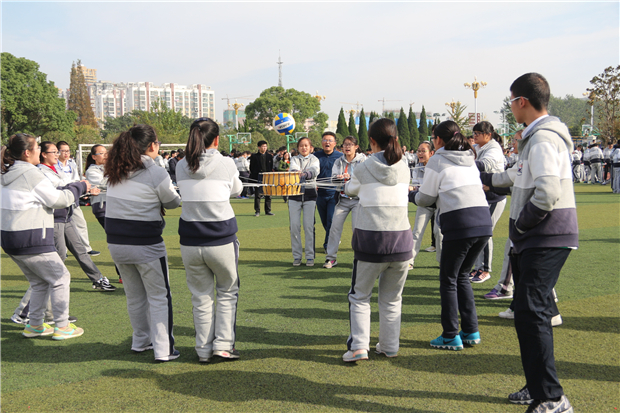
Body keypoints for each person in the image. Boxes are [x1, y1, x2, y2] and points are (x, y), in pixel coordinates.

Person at [481, 73, 577, 413]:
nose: (510, 107)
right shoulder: (534, 138)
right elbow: (514, 177)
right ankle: (539, 387)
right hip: (535, 238)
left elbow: (548, 192)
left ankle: (551, 398)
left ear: (522, 101)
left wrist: (522, 224)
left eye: (511, 101)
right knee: (527, 313)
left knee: (531, 312)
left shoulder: (543, 139)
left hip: (545, 236)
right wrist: (483, 178)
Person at [411, 120, 492, 351]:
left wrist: (411, 195)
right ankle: (471, 330)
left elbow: (426, 198)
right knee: (462, 276)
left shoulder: (437, 160)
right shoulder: (470, 157)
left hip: (460, 222)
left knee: (448, 279)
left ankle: (450, 335)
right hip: (483, 222)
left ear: (437, 139)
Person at [104, 124, 182, 362]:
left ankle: (141, 341)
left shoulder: (115, 169)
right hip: (145, 243)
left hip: (116, 243)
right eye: (157, 142)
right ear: (151, 146)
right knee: (159, 296)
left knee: (134, 296)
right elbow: (172, 202)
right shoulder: (155, 172)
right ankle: (164, 349)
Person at [1, 133, 86, 340]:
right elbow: (58, 200)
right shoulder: (30, 174)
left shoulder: (8, 173)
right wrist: (81, 186)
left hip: (11, 239)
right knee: (61, 277)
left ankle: (35, 325)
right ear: (27, 152)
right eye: (37, 147)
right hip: (31, 238)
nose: (40, 151)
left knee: (39, 282)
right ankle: (62, 326)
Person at [342, 118, 413, 362]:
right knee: (392, 299)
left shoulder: (363, 167)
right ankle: (390, 346)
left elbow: (350, 190)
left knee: (359, 296)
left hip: (371, 242)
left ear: (372, 141)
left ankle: (358, 347)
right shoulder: (405, 167)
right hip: (402, 242)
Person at [176, 118, 243, 362]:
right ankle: (223, 345)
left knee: (201, 297)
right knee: (227, 292)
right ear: (216, 140)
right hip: (221, 238)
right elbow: (237, 190)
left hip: (190, 241)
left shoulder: (180, 164)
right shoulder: (226, 162)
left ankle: (203, 349)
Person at [38, 142, 114, 291]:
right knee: (60, 256)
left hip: (66, 215)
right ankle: (45, 286)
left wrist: (84, 189)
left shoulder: (56, 168)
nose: (58, 154)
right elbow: (61, 187)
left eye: (58, 151)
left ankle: (98, 279)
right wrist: (83, 187)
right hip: (54, 217)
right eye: (54, 152)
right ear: (44, 154)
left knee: (80, 251)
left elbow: (70, 186)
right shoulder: (41, 171)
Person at [469, 121, 507, 284]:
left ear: (488, 135)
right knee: (477, 232)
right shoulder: (478, 147)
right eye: (474, 133)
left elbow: (485, 165)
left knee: (484, 232)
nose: (475, 136)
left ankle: (485, 270)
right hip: (482, 196)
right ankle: (478, 267)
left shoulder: (494, 149)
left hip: (494, 196)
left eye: (478, 133)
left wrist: (466, 163)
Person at [324, 136, 366, 268]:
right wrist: (338, 178)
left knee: (357, 230)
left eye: (350, 144)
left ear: (356, 147)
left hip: (358, 201)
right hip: (342, 200)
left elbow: (366, 178)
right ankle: (331, 258)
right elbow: (333, 179)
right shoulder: (338, 161)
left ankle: (359, 259)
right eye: (345, 144)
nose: (347, 147)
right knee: (334, 228)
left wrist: (351, 177)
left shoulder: (363, 160)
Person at [56, 141, 99, 256]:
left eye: (68, 150)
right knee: (60, 226)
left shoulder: (72, 163)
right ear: (58, 152)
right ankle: (62, 250)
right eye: (63, 151)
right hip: (61, 197)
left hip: (73, 197)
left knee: (81, 223)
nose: (66, 153)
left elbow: (76, 179)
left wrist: (82, 190)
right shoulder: (54, 165)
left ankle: (86, 248)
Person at [408, 140, 442, 269]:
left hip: (439, 203)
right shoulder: (417, 168)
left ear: (431, 153)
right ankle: (409, 261)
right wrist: (414, 188)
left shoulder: (438, 166)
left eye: (423, 151)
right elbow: (416, 186)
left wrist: (418, 188)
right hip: (424, 204)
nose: (420, 153)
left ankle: (442, 261)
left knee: (439, 233)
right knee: (416, 232)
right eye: (418, 151)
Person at [288, 137, 320, 267]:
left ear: (311, 147)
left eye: (306, 145)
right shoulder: (294, 159)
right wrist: (297, 173)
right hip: (294, 195)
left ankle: (310, 256)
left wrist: (305, 174)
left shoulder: (315, 159)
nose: (304, 148)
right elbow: (293, 170)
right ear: (298, 148)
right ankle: (297, 256)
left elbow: (314, 171)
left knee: (308, 226)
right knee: (294, 226)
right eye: (301, 145)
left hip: (310, 195)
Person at [314, 132, 343, 252]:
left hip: (334, 193)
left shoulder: (340, 156)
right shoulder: (315, 156)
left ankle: (328, 245)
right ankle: (334, 237)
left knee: (331, 220)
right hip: (319, 194)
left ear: (335, 143)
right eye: (325, 140)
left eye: (330, 140)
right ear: (322, 142)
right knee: (325, 221)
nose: (327, 142)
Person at [249, 140, 274, 217]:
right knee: (258, 195)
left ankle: (268, 210)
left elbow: (271, 167)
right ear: (259, 147)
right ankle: (257, 211)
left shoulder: (269, 156)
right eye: (263, 146)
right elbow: (251, 167)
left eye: (265, 146)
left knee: (268, 194)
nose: (264, 148)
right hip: (258, 177)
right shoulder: (254, 156)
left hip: (267, 177)